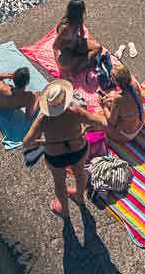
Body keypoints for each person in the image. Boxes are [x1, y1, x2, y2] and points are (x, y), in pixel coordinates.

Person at [23, 81, 98, 217]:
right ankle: (79, 197)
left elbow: (27, 142)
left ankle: (64, 210)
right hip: (78, 149)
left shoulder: (43, 118)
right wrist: (83, 130)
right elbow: (99, 123)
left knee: (59, 182)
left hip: (55, 156)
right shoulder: (75, 111)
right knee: (80, 173)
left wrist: (44, 141)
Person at [51, 0, 104, 80]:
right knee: (69, 64)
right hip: (66, 52)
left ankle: (79, 61)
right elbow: (54, 47)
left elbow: (82, 30)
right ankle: (77, 67)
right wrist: (68, 43)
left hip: (75, 44)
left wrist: (82, 41)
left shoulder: (78, 19)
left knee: (98, 48)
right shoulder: (65, 27)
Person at [99, 62, 145, 147]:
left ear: (117, 82)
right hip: (140, 123)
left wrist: (104, 106)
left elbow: (112, 122)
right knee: (112, 100)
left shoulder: (118, 99)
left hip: (127, 135)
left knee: (99, 120)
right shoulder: (135, 84)